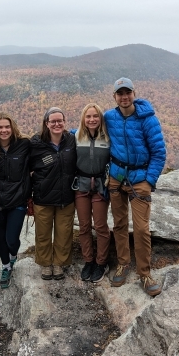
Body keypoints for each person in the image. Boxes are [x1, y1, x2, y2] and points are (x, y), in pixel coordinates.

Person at [104, 77, 167, 297]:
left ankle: (145, 273)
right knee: (119, 224)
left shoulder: (147, 119)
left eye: (127, 93)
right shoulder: (109, 117)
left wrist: (149, 180)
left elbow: (159, 153)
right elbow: (88, 129)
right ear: (114, 97)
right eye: (120, 94)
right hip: (116, 177)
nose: (124, 97)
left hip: (140, 178)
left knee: (141, 228)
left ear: (134, 93)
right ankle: (123, 263)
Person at [0, 112, 31, 289]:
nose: (4, 130)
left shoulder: (24, 144)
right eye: (0, 127)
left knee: (12, 239)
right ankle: (5, 266)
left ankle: (13, 256)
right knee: (1, 236)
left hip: (18, 200)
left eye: (7, 127)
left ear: (13, 128)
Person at [29, 107, 77, 281]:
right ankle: (45, 263)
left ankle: (59, 263)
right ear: (46, 123)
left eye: (60, 120)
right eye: (53, 121)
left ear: (64, 122)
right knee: (43, 233)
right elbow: (27, 167)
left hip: (66, 196)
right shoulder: (35, 143)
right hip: (43, 197)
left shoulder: (72, 140)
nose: (57, 124)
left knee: (64, 232)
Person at [73, 104, 111, 283]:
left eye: (95, 116)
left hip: (101, 187)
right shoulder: (76, 136)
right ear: (83, 119)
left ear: (100, 118)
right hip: (81, 186)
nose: (92, 119)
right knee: (84, 226)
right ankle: (88, 261)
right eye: (88, 116)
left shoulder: (108, 137)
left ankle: (101, 262)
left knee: (101, 226)